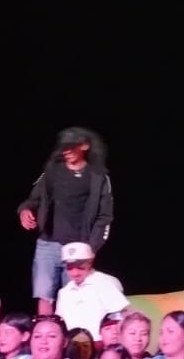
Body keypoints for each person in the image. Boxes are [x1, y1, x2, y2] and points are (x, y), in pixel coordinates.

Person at [18, 126, 114, 315]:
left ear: (84, 146)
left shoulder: (97, 177)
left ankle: (69, 341)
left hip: (78, 249)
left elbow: (105, 217)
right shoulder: (53, 170)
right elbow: (35, 197)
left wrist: (92, 248)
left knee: (72, 299)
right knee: (44, 296)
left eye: (72, 146)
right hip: (47, 243)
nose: (67, 151)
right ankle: (44, 337)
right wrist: (25, 210)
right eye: (64, 147)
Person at [54, 243, 128, 335]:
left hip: (102, 345)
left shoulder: (105, 283)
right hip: (73, 345)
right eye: (70, 268)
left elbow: (122, 315)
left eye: (80, 267)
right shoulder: (64, 292)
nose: (75, 273)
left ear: (90, 263)